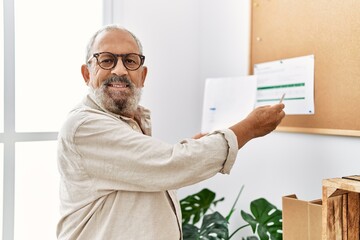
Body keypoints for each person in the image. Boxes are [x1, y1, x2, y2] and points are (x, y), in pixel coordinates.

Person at [56, 24, 285, 240]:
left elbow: (150, 172)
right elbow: (171, 164)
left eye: (130, 61)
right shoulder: (84, 126)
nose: (120, 70)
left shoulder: (127, 123)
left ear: (143, 76)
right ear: (87, 74)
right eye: (106, 60)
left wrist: (190, 148)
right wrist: (249, 128)